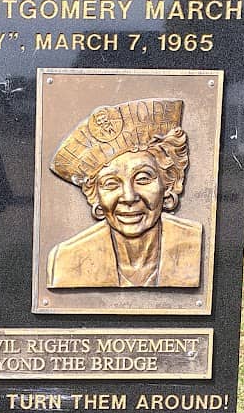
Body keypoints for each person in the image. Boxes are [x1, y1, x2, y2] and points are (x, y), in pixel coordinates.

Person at [46, 99, 202, 289]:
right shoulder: (68, 260)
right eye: (111, 183)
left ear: (169, 185)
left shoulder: (198, 245)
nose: (129, 197)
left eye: (143, 178)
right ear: (95, 197)